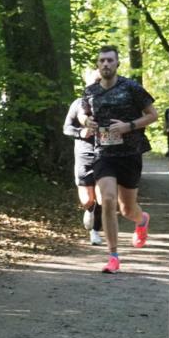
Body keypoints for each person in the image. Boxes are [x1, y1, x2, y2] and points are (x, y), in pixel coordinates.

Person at [80, 46, 158, 274]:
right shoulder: (91, 91)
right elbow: (83, 113)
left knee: (127, 209)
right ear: (98, 64)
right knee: (108, 200)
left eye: (110, 60)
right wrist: (87, 123)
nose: (106, 64)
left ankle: (141, 219)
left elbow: (152, 115)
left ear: (117, 63)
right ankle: (113, 256)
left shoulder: (131, 87)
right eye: (102, 60)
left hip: (130, 154)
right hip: (104, 154)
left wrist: (128, 126)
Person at [63, 82, 104, 246]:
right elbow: (66, 128)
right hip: (84, 154)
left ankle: (95, 230)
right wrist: (81, 132)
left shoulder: (111, 104)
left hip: (105, 154)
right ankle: (89, 209)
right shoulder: (78, 104)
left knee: (102, 196)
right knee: (87, 200)